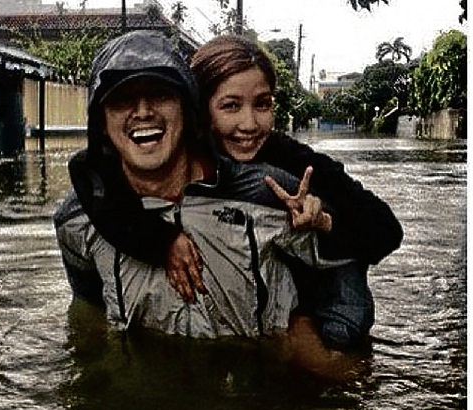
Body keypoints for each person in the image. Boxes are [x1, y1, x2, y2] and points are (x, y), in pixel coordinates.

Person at [67, 33, 403, 351]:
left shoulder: (289, 164)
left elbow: (384, 230)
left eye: (263, 104)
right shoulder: (111, 182)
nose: (249, 124)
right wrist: (161, 240)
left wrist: (323, 221)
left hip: (327, 302)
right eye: (230, 106)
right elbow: (87, 171)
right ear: (199, 108)